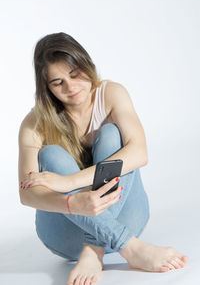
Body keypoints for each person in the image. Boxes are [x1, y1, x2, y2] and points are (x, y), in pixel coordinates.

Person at [18, 32, 188, 285]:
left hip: (125, 217)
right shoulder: (34, 124)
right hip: (66, 237)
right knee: (51, 153)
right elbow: (26, 194)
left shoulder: (111, 94)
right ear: (46, 88)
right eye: (57, 82)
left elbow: (139, 153)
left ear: (87, 65)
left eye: (75, 74)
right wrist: (73, 203)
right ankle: (129, 247)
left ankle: (95, 250)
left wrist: (69, 182)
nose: (71, 87)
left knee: (111, 134)